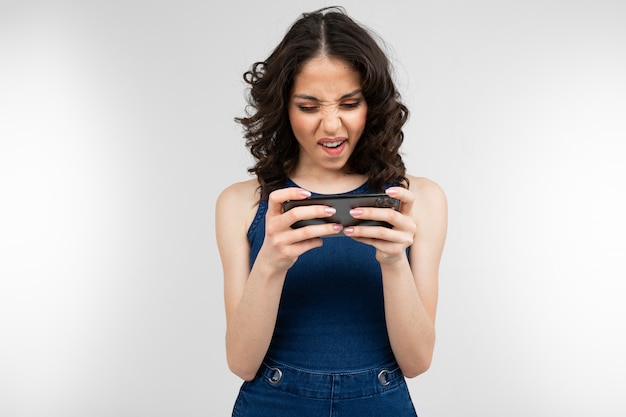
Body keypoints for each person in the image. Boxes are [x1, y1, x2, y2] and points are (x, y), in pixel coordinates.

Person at [215, 6, 447, 416]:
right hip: (272, 401)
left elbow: (417, 361)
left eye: (349, 103)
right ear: (283, 109)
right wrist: (270, 263)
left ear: (371, 104)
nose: (331, 126)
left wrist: (394, 260)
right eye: (308, 106)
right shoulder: (241, 203)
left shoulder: (419, 199)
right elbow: (241, 362)